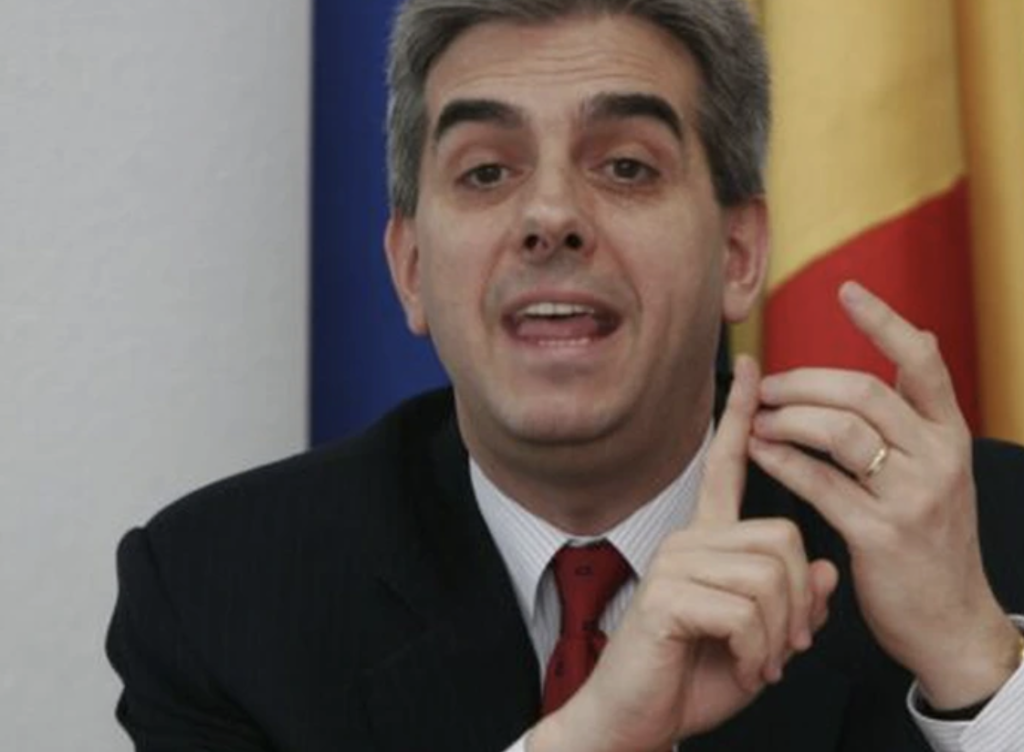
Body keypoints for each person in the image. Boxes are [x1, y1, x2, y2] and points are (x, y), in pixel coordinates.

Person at [107, 1, 1024, 750]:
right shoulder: (218, 593)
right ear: (412, 270)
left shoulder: (992, 540)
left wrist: (975, 664)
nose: (550, 215)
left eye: (625, 166)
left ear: (740, 255)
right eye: (486, 173)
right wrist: (596, 737)